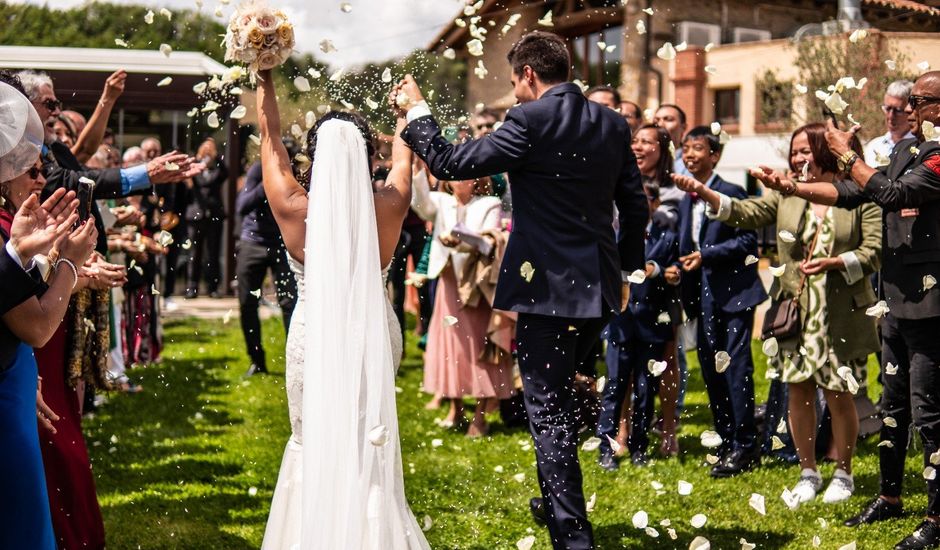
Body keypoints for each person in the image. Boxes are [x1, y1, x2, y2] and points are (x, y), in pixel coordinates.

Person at [394, 30, 647, 549]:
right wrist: (626, 272)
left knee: (548, 409)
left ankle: (573, 537)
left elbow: (450, 164)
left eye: (514, 83)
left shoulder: (530, 120)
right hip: (598, 289)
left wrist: (419, 112)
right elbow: (636, 206)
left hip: (548, 291)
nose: (513, 94)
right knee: (565, 394)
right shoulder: (613, 123)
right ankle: (555, 497)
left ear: (530, 75)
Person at [756, 71, 940, 550]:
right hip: (896, 301)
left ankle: (938, 516)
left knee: (929, 412)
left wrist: (849, 156)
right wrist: (795, 189)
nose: (910, 109)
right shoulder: (905, 151)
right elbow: (855, 192)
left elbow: (896, 195)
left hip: (932, 303)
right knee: (893, 405)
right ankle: (890, 496)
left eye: (920, 101)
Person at [254, 66, 429, 549]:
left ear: (313, 156)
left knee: (314, 440)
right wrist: (407, 111)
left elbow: (269, 140)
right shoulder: (391, 206)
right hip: (374, 335)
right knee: (366, 439)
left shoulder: (293, 206)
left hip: (315, 338)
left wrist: (264, 75)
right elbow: (404, 157)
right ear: (367, 157)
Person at [679, 122, 881, 504]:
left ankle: (844, 472)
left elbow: (874, 250)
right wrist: (706, 193)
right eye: (794, 151)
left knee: (838, 394)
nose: (798, 158)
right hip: (796, 311)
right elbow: (745, 211)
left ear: (827, 151)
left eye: (806, 150)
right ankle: (808, 470)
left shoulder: (860, 194)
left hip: (840, 313)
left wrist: (837, 262)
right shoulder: (787, 195)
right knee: (798, 391)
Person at [0, 80, 96, 550]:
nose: (38, 175)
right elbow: (35, 326)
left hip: (14, 380)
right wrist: (70, 264)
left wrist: (29, 249)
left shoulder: (9, 217)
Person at [671, 126, 767, 478]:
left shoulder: (732, 192)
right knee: (711, 371)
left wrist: (705, 255)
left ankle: (745, 445)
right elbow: (683, 245)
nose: (689, 154)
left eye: (697, 148)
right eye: (685, 148)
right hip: (701, 298)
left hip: (735, 295)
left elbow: (747, 246)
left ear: (715, 155)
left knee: (736, 368)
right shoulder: (685, 200)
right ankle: (727, 440)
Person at [410, 169, 512, 437]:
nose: (458, 181)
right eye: (453, 176)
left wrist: (461, 238)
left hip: (476, 285)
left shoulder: (489, 204)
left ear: (477, 179)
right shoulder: (441, 202)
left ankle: (479, 416)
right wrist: (417, 170)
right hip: (448, 280)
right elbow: (420, 205)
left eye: (464, 176)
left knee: (477, 345)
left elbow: (488, 243)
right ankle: (455, 408)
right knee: (450, 345)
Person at [597, 180, 679, 469]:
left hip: (652, 323)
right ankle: (607, 447)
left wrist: (661, 270)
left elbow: (675, 266)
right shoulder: (612, 233)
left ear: (654, 204)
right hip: (620, 322)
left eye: (644, 199)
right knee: (615, 386)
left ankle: (639, 446)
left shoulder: (666, 236)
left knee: (646, 388)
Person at [235, 158, 297, 376]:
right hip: (253, 242)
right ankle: (256, 360)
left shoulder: (295, 172)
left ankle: (296, 362)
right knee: (247, 303)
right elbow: (242, 206)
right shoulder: (258, 170)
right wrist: (268, 184)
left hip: (283, 243)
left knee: (290, 303)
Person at [185, 138, 227, 298]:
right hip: (196, 215)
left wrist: (215, 157)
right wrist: (199, 159)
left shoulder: (217, 169)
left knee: (213, 253)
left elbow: (226, 172)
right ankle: (192, 287)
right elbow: (190, 177)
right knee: (194, 253)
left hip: (214, 215)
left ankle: (213, 287)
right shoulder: (196, 168)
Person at [864, 80, 915, 167]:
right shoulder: (874, 146)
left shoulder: (920, 147)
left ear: (911, 111)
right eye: (887, 108)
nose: (891, 116)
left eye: (898, 110)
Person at [653, 103, 691, 177]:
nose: (660, 124)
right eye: (656, 121)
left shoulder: (691, 162)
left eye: (668, 119)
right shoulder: (643, 159)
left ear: (683, 127)